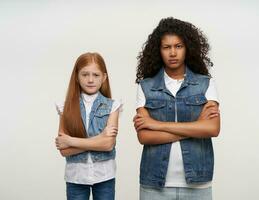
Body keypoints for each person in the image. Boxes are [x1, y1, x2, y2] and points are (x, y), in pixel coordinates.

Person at [133, 17, 220, 200]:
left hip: (198, 183)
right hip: (154, 184)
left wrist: (156, 124)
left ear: (187, 48)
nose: (173, 53)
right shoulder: (146, 87)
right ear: (159, 51)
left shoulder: (205, 84)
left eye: (178, 46)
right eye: (166, 47)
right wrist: (196, 126)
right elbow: (144, 136)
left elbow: (212, 128)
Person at [55, 52, 121, 200]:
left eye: (96, 75)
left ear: (104, 77)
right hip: (76, 176)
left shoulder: (112, 106)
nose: (90, 80)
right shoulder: (65, 107)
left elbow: (108, 145)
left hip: (105, 175)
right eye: (85, 75)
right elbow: (64, 151)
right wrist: (99, 139)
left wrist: (71, 141)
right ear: (77, 77)